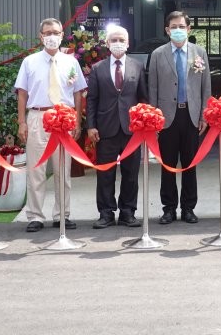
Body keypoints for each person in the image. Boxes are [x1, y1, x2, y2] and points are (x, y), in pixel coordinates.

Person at [15, 18, 87, 233]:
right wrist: (21, 122)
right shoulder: (29, 62)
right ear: (41, 36)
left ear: (62, 35)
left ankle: (62, 215)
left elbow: (78, 93)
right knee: (35, 169)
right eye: (47, 33)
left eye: (55, 32)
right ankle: (35, 216)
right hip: (38, 117)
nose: (51, 36)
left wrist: (77, 121)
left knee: (62, 170)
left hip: (64, 120)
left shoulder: (71, 62)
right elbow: (22, 93)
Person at [149, 10, 211, 224]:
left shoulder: (199, 53)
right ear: (167, 30)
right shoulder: (157, 54)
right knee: (167, 164)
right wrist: (154, 116)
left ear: (189, 29)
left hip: (191, 115)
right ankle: (168, 208)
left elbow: (206, 87)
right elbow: (153, 88)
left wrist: (205, 114)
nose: (177, 30)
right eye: (173, 27)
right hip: (166, 117)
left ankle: (188, 208)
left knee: (189, 164)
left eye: (181, 26)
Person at [85, 25, 148, 229]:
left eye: (122, 40)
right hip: (105, 128)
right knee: (105, 173)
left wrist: (145, 123)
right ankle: (106, 213)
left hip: (132, 130)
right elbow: (92, 100)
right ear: (107, 43)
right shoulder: (97, 69)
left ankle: (128, 212)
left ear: (128, 43)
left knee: (131, 173)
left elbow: (143, 97)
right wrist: (91, 126)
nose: (118, 43)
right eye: (114, 40)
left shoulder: (138, 67)